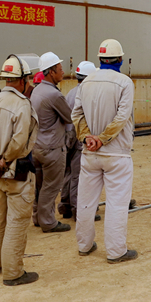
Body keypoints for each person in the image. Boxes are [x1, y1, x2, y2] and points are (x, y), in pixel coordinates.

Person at [71, 39, 137, 263]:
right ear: (120, 59)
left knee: (86, 201)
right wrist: (102, 139)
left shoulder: (86, 82)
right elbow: (122, 117)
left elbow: (76, 115)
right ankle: (116, 251)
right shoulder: (125, 82)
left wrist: (87, 137)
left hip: (90, 153)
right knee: (117, 203)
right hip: (116, 153)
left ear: (100, 59)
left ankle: (84, 245)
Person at [0, 55, 39, 286]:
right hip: (17, 173)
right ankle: (13, 272)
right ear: (22, 80)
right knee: (17, 221)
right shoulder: (22, 104)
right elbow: (20, 141)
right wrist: (4, 161)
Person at [30, 52, 72, 233]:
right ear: (51, 72)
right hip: (52, 148)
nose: (63, 72)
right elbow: (70, 117)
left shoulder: (37, 90)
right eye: (60, 69)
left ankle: (37, 217)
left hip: (37, 147)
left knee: (40, 185)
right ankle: (48, 222)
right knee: (51, 186)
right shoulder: (54, 95)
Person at [59, 61, 97, 220]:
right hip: (79, 138)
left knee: (68, 173)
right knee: (78, 175)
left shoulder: (71, 92)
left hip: (67, 137)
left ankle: (65, 205)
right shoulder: (87, 94)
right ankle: (77, 209)